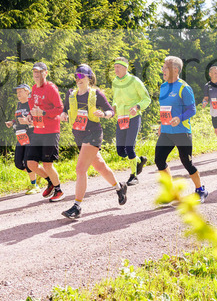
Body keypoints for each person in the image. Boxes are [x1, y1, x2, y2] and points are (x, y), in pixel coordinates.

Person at [60, 64, 127, 219]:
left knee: (80, 169)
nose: (78, 78)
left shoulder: (96, 94)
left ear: (89, 78)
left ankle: (77, 207)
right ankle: (120, 187)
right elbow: (64, 109)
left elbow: (110, 111)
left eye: (82, 75)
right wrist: (63, 114)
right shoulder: (71, 94)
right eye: (76, 76)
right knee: (100, 166)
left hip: (93, 134)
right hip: (79, 135)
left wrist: (103, 114)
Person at [154, 56, 208, 202]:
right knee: (159, 160)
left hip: (182, 131)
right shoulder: (163, 87)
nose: (163, 70)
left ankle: (200, 189)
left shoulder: (184, 88)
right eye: (163, 67)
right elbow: (165, 109)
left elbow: (192, 109)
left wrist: (180, 118)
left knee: (187, 162)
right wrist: (162, 124)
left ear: (176, 70)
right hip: (166, 131)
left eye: (166, 68)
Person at [26, 62, 65, 201]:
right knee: (31, 163)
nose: (37, 75)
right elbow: (33, 106)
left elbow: (60, 108)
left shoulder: (51, 88)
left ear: (45, 73)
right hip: (38, 130)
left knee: (47, 164)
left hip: (51, 131)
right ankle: (51, 181)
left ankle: (59, 190)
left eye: (40, 72)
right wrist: (30, 116)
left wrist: (44, 113)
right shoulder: (34, 88)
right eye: (35, 72)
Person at [112, 57, 151, 186]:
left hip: (133, 117)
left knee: (129, 147)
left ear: (125, 68)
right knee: (120, 151)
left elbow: (146, 99)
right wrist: (113, 107)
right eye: (115, 67)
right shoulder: (115, 82)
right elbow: (115, 99)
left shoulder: (134, 81)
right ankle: (139, 160)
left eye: (118, 67)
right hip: (121, 118)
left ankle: (134, 176)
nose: (116, 69)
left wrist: (137, 107)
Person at [4, 83, 41, 194]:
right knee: (18, 164)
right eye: (17, 92)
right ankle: (39, 172)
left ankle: (34, 185)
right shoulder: (19, 105)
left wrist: (28, 122)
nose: (18, 94)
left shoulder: (32, 104)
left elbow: (39, 121)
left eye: (20, 91)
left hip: (32, 135)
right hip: (21, 136)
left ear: (27, 92)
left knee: (27, 161)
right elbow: (18, 119)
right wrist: (12, 122)